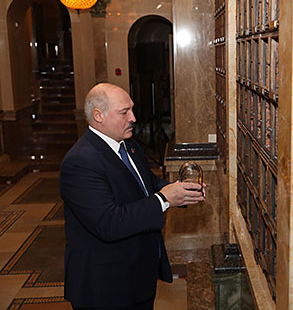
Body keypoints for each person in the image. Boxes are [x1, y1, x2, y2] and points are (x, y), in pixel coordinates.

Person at [59, 83, 205, 310]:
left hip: (137, 279)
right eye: (124, 112)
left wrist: (179, 191)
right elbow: (109, 222)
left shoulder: (129, 145)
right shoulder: (80, 161)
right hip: (106, 288)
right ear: (98, 115)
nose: (134, 118)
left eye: (132, 109)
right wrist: (165, 199)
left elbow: (148, 184)